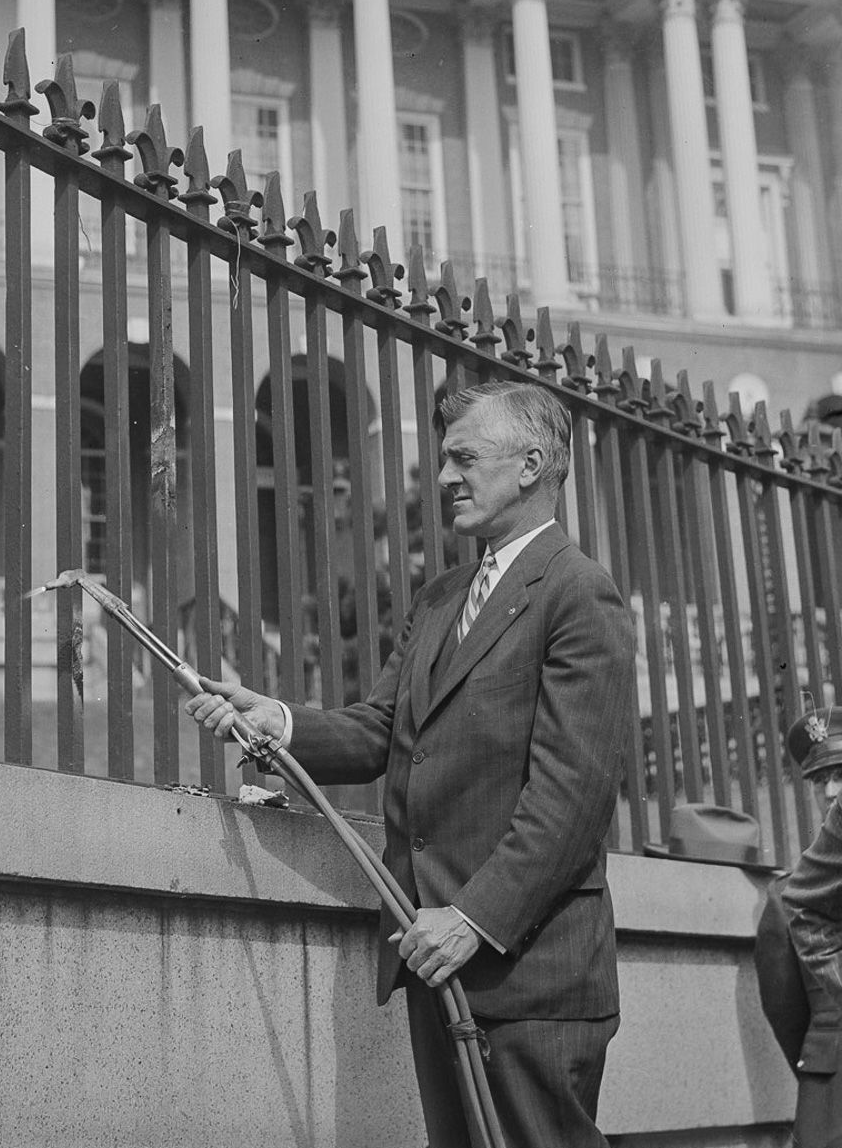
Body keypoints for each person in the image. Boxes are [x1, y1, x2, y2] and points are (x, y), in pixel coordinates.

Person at [187, 378, 634, 1147]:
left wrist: (473, 918)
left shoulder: (577, 593)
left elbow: (575, 793)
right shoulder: (441, 598)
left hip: (527, 971)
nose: (445, 477)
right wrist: (281, 721)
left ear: (531, 465)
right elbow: (386, 729)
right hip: (438, 958)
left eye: (464, 457)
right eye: (444, 458)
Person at [755, 708, 842, 1148]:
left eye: (841, 775)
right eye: (819, 780)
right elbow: (784, 1011)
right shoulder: (788, 896)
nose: (830, 791)